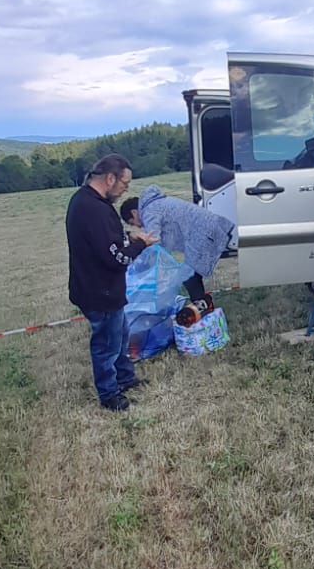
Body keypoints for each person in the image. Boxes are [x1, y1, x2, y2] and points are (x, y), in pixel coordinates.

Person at [66, 154, 155, 412]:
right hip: (99, 291)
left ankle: (125, 378)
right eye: (124, 183)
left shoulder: (85, 200)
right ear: (110, 178)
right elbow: (116, 258)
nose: (126, 189)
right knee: (106, 345)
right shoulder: (94, 209)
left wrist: (128, 237)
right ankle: (109, 394)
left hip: (101, 288)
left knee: (120, 335)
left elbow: (104, 240)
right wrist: (140, 245)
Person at [120, 185, 232, 303]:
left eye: (133, 223)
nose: (138, 226)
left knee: (189, 276)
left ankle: (201, 307)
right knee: (191, 275)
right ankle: (203, 304)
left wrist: (143, 266)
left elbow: (154, 242)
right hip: (210, 229)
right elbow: (165, 242)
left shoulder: (149, 211)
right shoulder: (156, 203)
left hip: (206, 234)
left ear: (134, 213)